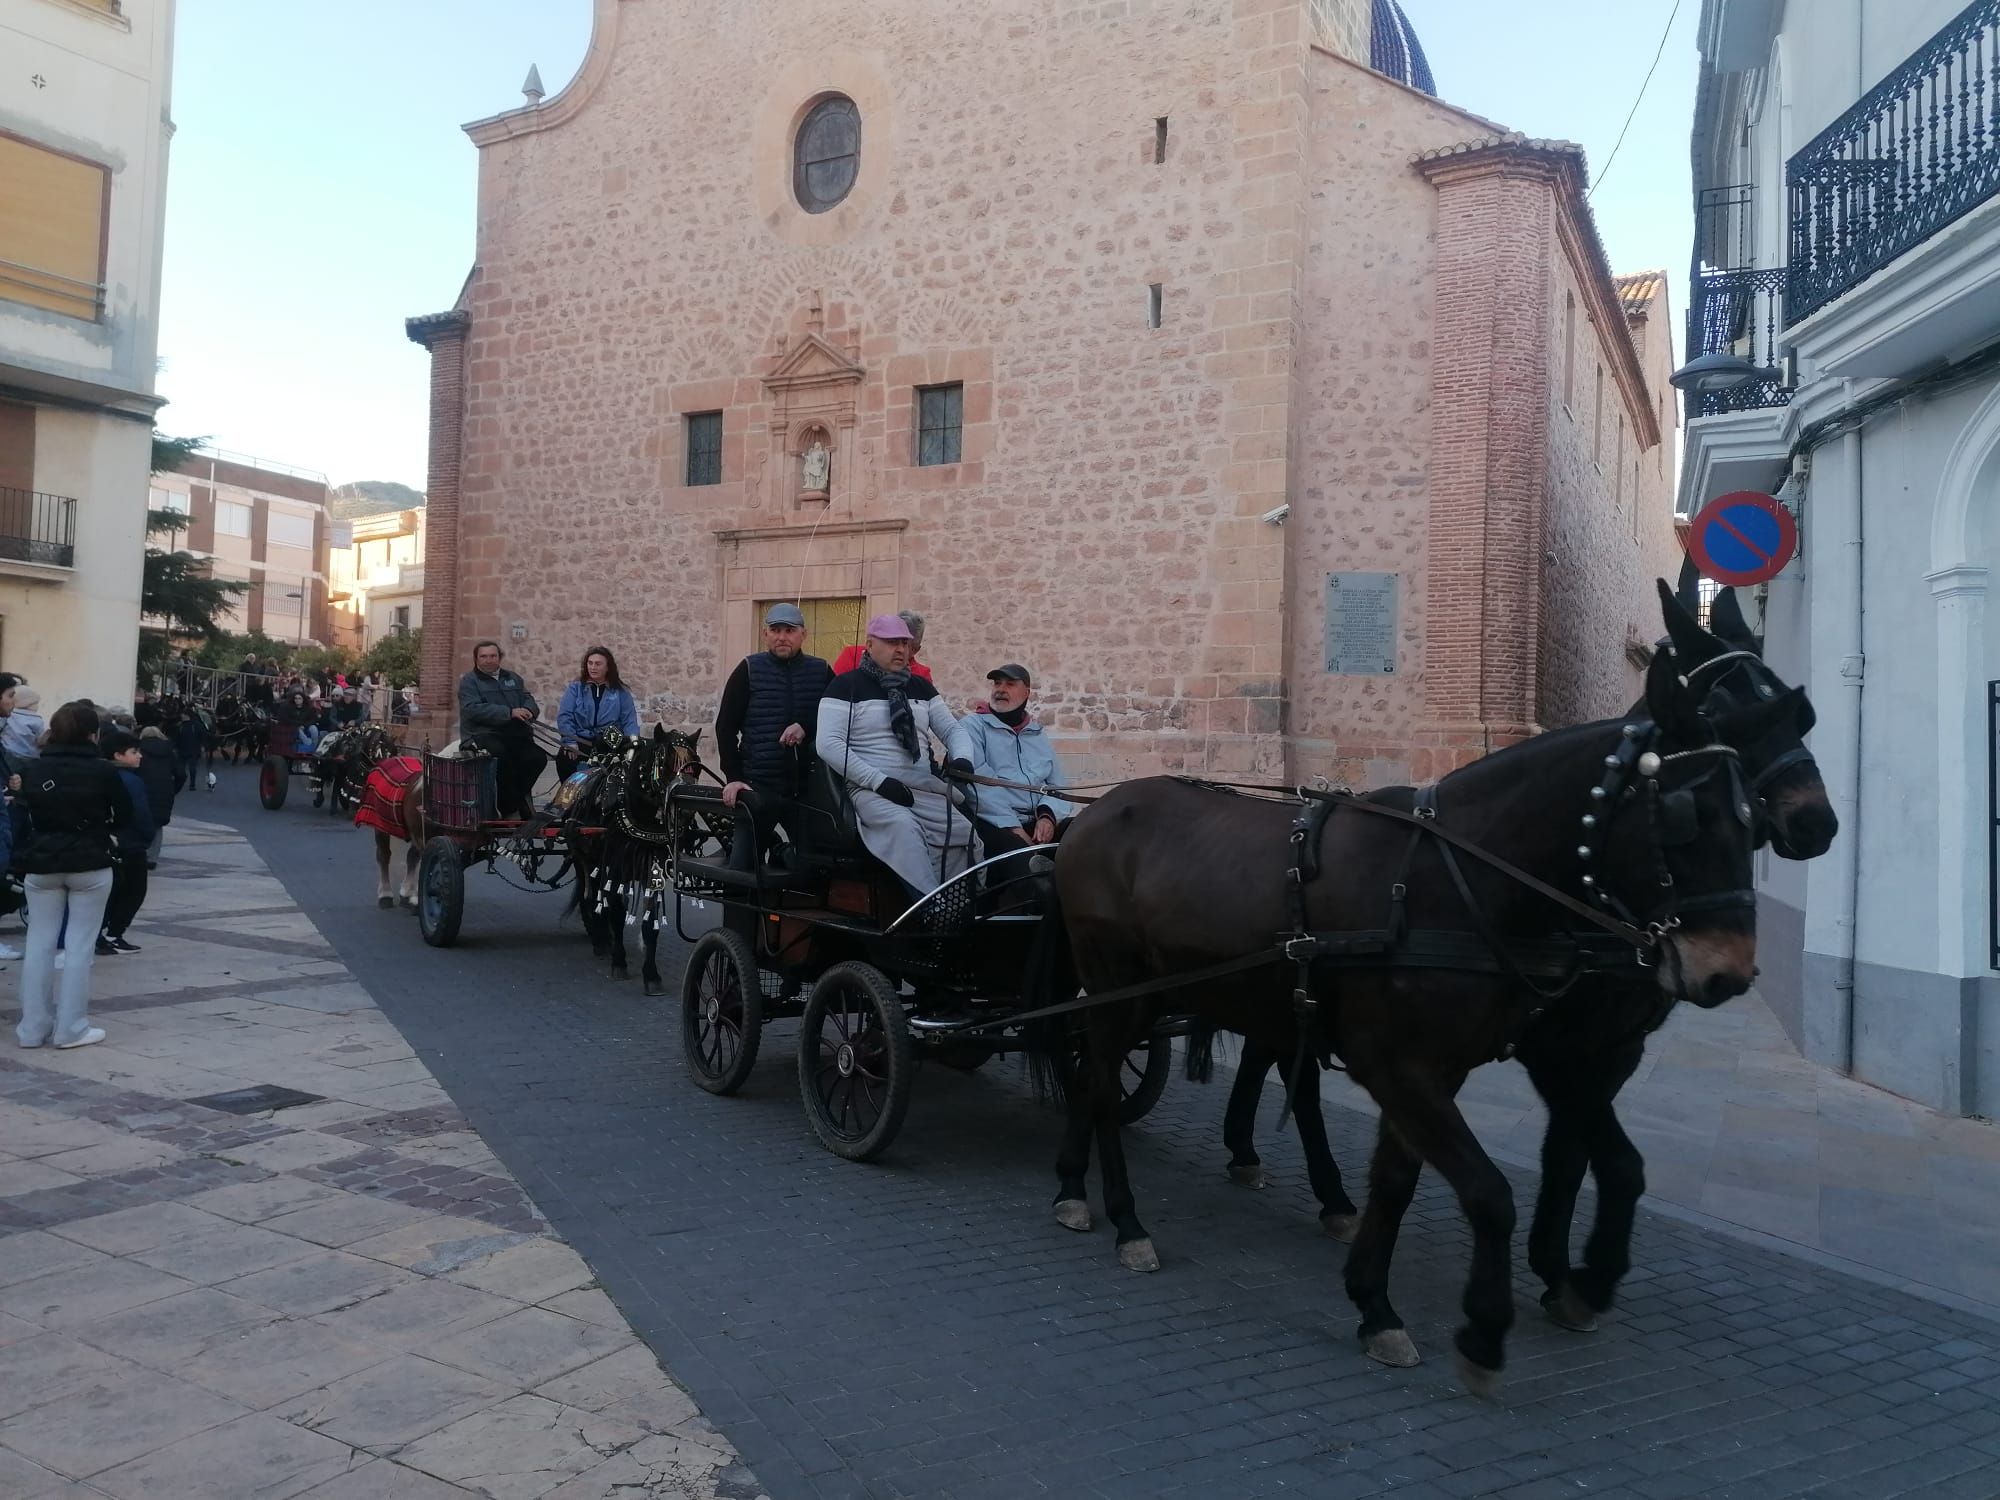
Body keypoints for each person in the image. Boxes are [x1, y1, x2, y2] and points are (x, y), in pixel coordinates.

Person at [816, 614, 977, 902]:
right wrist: (878, 781)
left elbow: (952, 729)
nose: (901, 649)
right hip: (870, 789)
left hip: (922, 787)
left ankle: (959, 904)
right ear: (869, 645)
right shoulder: (844, 686)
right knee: (904, 829)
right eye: (891, 642)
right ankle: (931, 906)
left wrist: (963, 759)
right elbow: (828, 744)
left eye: (904, 642)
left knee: (963, 833)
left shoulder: (921, 688)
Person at [14, 702, 130, 1049]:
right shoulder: (103, 770)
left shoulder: (33, 768)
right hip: (90, 861)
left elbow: (25, 812)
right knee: (79, 946)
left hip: (42, 862)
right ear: (94, 734)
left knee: (38, 943)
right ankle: (71, 1028)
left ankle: (31, 1028)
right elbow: (125, 814)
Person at [716, 604, 833, 864]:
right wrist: (734, 778)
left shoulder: (821, 671)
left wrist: (805, 727)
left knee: (814, 869)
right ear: (765, 634)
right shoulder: (748, 669)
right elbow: (725, 727)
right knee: (742, 871)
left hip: (806, 790)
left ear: (803, 634)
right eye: (775, 630)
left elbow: (837, 719)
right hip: (758, 787)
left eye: (789, 630)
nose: (782, 637)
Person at [962, 663, 1075, 860]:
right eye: (997, 683)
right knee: (1020, 862)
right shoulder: (972, 727)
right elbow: (980, 788)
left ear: (1026, 693)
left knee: (1088, 834)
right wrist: (1014, 827)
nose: (1000, 689)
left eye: (1010, 684)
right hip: (996, 824)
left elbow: (1058, 786)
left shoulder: (1037, 733)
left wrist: (1048, 817)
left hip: (1038, 822)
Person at [457, 641, 546, 819]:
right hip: (482, 734)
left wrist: (529, 710)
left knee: (537, 758)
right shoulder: (469, 681)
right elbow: (471, 709)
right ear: (476, 659)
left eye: (493, 656)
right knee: (503, 758)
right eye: (483, 656)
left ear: (499, 657)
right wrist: (509, 712)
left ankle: (515, 801)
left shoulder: (513, 678)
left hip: (515, 734)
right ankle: (509, 808)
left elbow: (528, 698)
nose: (488, 660)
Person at [95, 730, 155, 955]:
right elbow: (140, 813)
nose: (140, 756)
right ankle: (114, 934)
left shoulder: (99, 774)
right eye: (134, 752)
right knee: (134, 890)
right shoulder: (131, 781)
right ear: (118, 755)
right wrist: (147, 836)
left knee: (112, 890)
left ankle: (100, 933)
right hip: (130, 842)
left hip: (106, 841)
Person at [555, 646, 642, 779]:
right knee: (564, 760)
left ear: (608, 667)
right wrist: (570, 741)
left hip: (609, 742)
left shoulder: (621, 692)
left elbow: (629, 721)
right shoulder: (575, 688)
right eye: (590, 663)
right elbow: (565, 716)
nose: (593, 667)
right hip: (580, 740)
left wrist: (632, 744)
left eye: (598, 664)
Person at [831, 609, 933, 682]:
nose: (901, 649)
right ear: (870, 645)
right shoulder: (852, 655)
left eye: (905, 644)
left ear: (916, 650)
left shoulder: (922, 676)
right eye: (893, 641)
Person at [134, 726, 178, 868]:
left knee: (139, 819)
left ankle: (141, 851)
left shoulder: (138, 750)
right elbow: (181, 773)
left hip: (143, 787)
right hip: (164, 789)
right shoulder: (169, 751)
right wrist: (173, 788)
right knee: (158, 823)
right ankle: (152, 857)